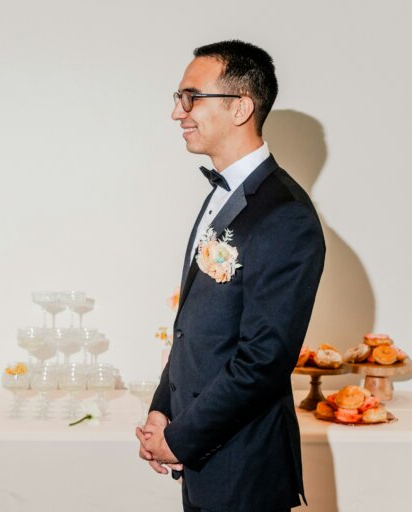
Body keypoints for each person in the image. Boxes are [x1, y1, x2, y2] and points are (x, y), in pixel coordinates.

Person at [136, 41, 325, 511]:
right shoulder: (225, 195)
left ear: (241, 106)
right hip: (204, 460)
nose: (177, 113)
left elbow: (263, 360)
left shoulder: (285, 215)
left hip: (244, 467)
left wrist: (182, 437)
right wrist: (163, 409)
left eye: (190, 97)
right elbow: (192, 327)